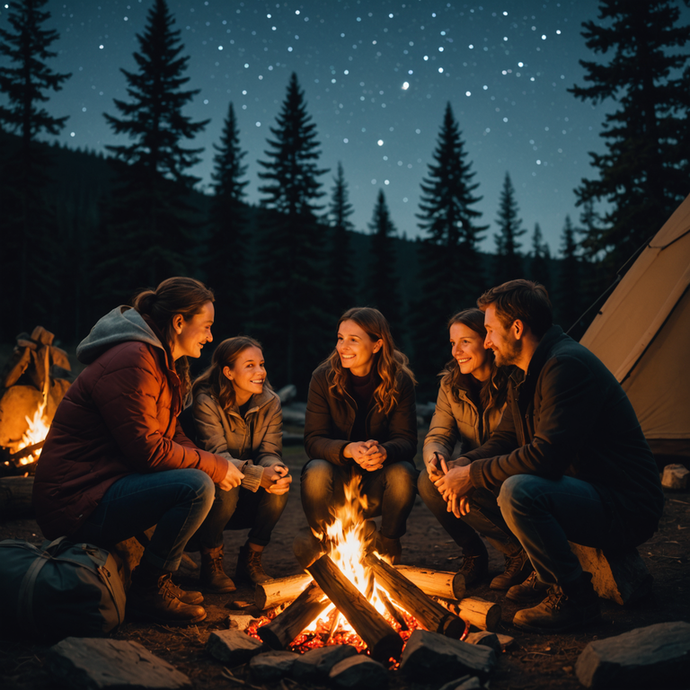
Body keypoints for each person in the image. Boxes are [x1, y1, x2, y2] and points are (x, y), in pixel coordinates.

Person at [435, 279, 664, 633]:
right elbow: (505, 439)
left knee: (519, 491)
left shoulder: (566, 366)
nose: (488, 340)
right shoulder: (524, 374)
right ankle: (547, 574)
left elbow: (547, 457)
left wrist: (474, 473)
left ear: (517, 328)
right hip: (584, 490)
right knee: (486, 477)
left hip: (625, 504)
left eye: (491, 331)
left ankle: (575, 599)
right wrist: (464, 464)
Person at [33, 277, 243, 626]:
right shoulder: (133, 360)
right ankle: (149, 589)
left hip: (99, 486)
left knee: (202, 477)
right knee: (196, 486)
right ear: (179, 322)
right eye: (206, 327)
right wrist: (214, 468)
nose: (209, 337)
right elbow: (149, 452)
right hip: (74, 500)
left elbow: (173, 434)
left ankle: (157, 582)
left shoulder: (158, 361)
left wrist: (221, 464)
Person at [418, 308, 530, 589]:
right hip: (471, 467)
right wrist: (437, 457)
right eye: (453, 343)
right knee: (428, 480)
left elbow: (514, 442)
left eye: (465, 341)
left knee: (467, 483)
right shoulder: (450, 384)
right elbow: (439, 433)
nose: (457, 351)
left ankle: (519, 552)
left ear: (488, 340)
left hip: (507, 471)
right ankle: (474, 555)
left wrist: (467, 469)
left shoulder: (514, 381)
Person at [301, 307, 418, 563]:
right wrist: (348, 450)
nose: (343, 346)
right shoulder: (323, 378)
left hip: (378, 478)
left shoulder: (399, 380)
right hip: (337, 477)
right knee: (315, 470)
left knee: (403, 472)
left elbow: (407, 441)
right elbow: (313, 440)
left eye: (353, 339)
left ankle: (388, 542)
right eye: (340, 338)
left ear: (377, 345)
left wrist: (384, 451)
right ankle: (326, 544)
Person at [190, 336, 291, 592]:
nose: (260, 371)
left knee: (279, 485)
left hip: (247, 495)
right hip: (209, 495)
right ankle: (211, 561)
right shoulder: (206, 401)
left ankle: (252, 558)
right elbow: (216, 455)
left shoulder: (270, 402)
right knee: (227, 482)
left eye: (262, 364)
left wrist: (274, 470)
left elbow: (270, 450)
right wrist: (258, 474)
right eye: (250, 365)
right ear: (228, 372)